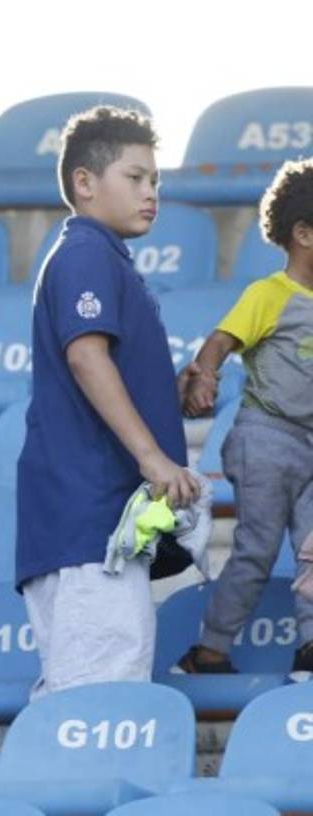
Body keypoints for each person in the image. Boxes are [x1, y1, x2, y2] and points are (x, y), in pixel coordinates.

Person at [16, 106, 200, 698]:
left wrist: (170, 395)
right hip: (91, 524)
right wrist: (153, 459)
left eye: (156, 181)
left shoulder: (100, 255)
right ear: (85, 183)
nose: (151, 193)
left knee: (85, 697)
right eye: (136, 177)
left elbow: (101, 369)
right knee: (95, 706)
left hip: (94, 527)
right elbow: (86, 358)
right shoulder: (86, 252)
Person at [175, 158, 313, 675]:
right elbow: (220, 340)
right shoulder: (269, 295)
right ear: (303, 233)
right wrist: (206, 375)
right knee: (256, 551)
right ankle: (209, 651)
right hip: (266, 438)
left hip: (309, 443)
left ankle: (310, 649)